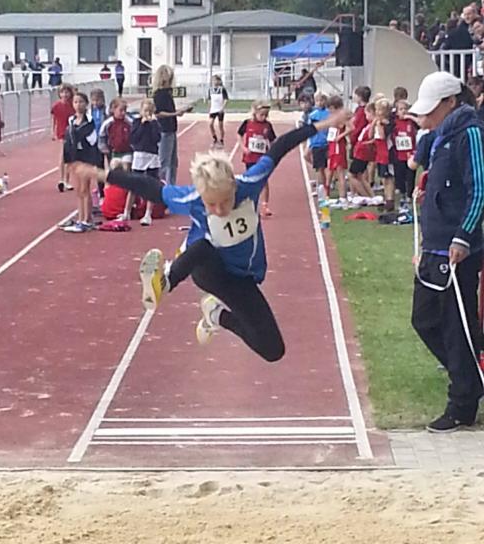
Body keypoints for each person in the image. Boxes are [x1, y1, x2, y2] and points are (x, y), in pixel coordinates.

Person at [81, 109, 348, 360]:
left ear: (233, 187)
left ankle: (216, 314)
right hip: (209, 271)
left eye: (225, 201)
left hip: (242, 278)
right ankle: (165, 282)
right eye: (212, 205)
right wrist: (101, 174)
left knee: (273, 350)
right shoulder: (192, 198)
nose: (220, 210)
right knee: (204, 246)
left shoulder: (249, 184)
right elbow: (148, 187)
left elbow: (280, 146)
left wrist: (324, 124)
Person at [409, 71, 484, 432]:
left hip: (456, 249)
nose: (425, 116)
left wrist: (463, 237)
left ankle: (463, 402)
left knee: (457, 326)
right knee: (423, 319)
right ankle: (469, 376)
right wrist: (429, 197)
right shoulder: (441, 136)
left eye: (431, 109)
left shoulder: (470, 133)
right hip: (434, 245)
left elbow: (479, 189)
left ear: (451, 103)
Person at [60, 91, 98, 233]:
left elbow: (91, 139)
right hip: (75, 157)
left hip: (86, 156)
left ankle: (86, 220)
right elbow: (68, 140)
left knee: (85, 188)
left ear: (86, 104)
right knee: (78, 190)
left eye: (81, 102)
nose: (78, 105)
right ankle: (81, 218)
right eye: (75, 102)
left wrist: (76, 136)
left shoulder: (89, 120)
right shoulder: (71, 120)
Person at [236, 99, 276, 217]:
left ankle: (265, 205)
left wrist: (271, 151)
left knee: (264, 182)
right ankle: (251, 204)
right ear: (255, 113)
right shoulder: (247, 123)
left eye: (266, 115)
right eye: (261, 115)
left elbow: (272, 140)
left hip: (262, 159)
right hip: (250, 157)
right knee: (250, 181)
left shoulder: (267, 126)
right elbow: (239, 134)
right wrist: (243, 147)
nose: (263, 117)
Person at [152, 64, 191, 185]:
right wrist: (175, 113)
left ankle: (171, 185)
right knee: (165, 161)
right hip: (164, 130)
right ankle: (160, 185)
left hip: (171, 129)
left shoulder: (167, 93)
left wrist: (179, 111)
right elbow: (158, 113)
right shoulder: (159, 94)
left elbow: (168, 110)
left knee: (173, 162)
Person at [130, 98, 162, 226]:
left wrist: (152, 123)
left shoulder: (155, 124)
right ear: (141, 111)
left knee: (151, 184)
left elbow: (157, 138)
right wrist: (142, 124)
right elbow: (134, 138)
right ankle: (127, 211)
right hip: (139, 155)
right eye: (145, 110)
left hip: (152, 155)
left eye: (150, 111)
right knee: (133, 184)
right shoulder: (137, 122)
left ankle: (148, 213)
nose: (147, 113)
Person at [391, 100, 417, 203]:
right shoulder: (395, 123)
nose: (403, 111)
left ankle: (409, 194)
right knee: (400, 174)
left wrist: (411, 117)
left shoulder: (411, 122)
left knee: (410, 175)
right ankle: (402, 192)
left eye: (405, 109)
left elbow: (419, 124)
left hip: (410, 153)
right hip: (399, 154)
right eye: (401, 109)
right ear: (397, 112)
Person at [326, 95, 350, 204]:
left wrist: (340, 136)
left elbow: (351, 128)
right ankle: (326, 194)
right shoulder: (333, 116)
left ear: (334, 107)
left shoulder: (342, 117)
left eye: (330, 109)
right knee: (330, 169)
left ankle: (342, 197)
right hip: (332, 145)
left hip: (338, 147)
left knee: (340, 171)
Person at [51, 83, 75, 192]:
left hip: (72, 133)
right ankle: (62, 180)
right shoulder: (56, 106)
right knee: (63, 156)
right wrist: (52, 132)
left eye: (67, 92)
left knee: (69, 158)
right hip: (62, 132)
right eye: (62, 92)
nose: (64, 95)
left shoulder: (73, 105)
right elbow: (53, 119)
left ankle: (66, 180)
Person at [308, 92, 330, 192]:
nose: (319, 103)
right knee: (319, 168)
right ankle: (322, 186)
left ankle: (327, 185)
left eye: (322, 100)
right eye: (317, 101)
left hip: (326, 143)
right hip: (316, 144)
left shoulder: (329, 114)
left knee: (328, 166)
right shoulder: (312, 115)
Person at [208, 74, 229, 147]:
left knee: (220, 126)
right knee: (210, 124)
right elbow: (209, 100)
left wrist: (222, 108)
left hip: (220, 109)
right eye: (213, 80)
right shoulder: (210, 90)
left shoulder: (222, 89)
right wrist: (209, 109)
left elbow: (226, 99)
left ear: (219, 81)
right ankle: (215, 138)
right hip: (213, 109)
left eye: (216, 80)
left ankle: (222, 139)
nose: (214, 82)